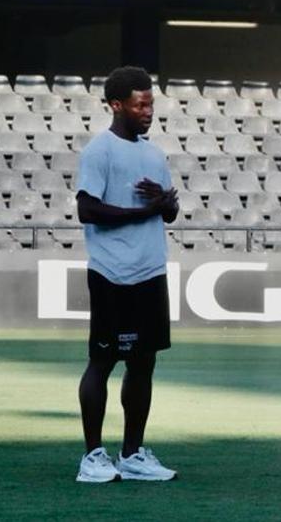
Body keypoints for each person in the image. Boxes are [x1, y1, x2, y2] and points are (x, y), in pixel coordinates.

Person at [75, 66, 179, 483]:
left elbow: (168, 213)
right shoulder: (99, 151)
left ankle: (132, 454)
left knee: (143, 363)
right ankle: (92, 456)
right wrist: (145, 211)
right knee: (102, 361)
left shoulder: (154, 154)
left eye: (151, 102)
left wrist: (164, 201)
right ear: (116, 105)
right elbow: (88, 209)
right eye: (140, 104)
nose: (148, 110)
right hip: (112, 272)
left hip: (149, 271)